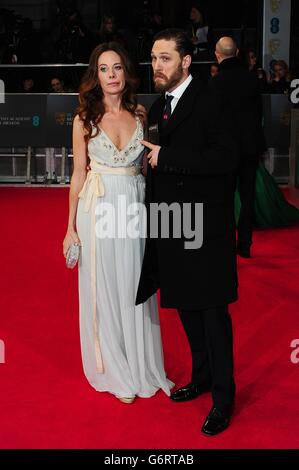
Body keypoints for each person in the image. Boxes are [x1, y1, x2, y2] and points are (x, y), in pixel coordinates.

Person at [136, 29, 238, 435]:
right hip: (171, 223)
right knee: (185, 306)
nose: (156, 65)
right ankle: (203, 376)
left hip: (205, 225)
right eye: (153, 57)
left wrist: (168, 158)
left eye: (164, 58)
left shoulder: (212, 99)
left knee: (213, 314)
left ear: (185, 61)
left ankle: (224, 398)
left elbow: (226, 158)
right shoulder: (160, 104)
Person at [62, 42, 173, 404]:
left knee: (134, 285)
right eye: (104, 69)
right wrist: (69, 227)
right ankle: (113, 367)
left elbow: (146, 169)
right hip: (97, 207)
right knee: (105, 287)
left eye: (117, 68)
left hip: (134, 210)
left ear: (126, 73)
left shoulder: (141, 114)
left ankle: (140, 363)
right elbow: (78, 174)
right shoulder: (84, 118)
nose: (111, 75)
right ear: (95, 76)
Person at [210, 37, 266, 258]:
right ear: (238, 52)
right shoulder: (252, 79)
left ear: (217, 55)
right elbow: (258, 113)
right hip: (250, 147)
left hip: (226, 150)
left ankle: (225, 243)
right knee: (248, 196)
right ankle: (245, 244)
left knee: (224, 197)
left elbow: (211, 120)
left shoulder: (215, 83)